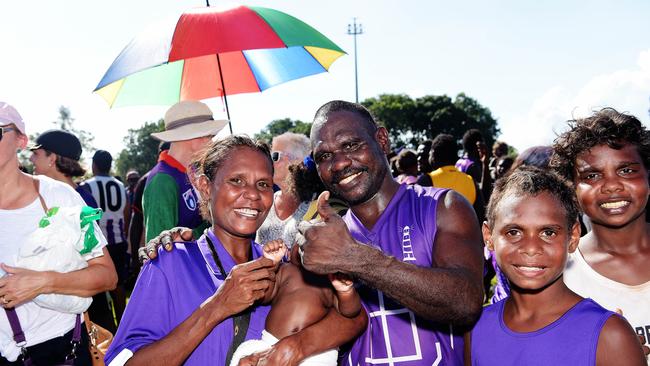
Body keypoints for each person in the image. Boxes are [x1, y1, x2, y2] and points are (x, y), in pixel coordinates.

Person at [105, 135, 366, 366]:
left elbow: (354, 318)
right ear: (205, 186)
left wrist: (294, 347)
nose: (252, 194)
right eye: (236, 180)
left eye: (263, 184)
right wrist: (217, 306)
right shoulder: (170, 262)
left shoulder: (281, 265)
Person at [297, 100, 484, 365]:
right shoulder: (326, 239)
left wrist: (353, 257)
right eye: (324, 156)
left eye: (350, 145)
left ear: (382, 140)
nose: (338, 164)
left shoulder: (442, 207)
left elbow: (465, 303)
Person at [469, 165, 645, 365]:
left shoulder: (610, 336)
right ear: (488, 237)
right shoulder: (474, 330)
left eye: (548, 233)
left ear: (573, 237)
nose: (531, 248)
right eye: (514, 232)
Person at [0, 101, 117, 364]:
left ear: (20, 141)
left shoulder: (60, 196)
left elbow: (107, 275)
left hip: (59, 350)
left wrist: (44, 282)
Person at [551, 108, 650, 360]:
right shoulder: (557, 275)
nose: (612, 185)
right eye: (592, 175)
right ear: (572, 189)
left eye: (626, 170)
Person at [28, 129, 116, 332]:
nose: (31, 157)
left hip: (82, 299)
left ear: (52, 158)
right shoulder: (78, 194)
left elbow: (93, 260)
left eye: (37, 152)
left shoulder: (79, 200)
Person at [230, 239, 364, 366]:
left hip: (313, 356)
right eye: (302, 242)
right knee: (245, 355)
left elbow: (350, 311)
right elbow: (264, 294)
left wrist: (345, 292)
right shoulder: (285, 270)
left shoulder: (330, 283)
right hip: (269, 347)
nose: (308, 248)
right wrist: (270, 265)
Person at [143, 100, 227, 242]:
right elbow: (160, 249)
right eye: (209, 135)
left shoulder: (195, 172)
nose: (212, 142)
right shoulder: (162, 181)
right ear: (191, 135)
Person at [81, 149, 129, 325]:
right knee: (119, 285)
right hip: (117, 239)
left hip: (99, 244)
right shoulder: (120, 185)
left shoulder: (87, 186)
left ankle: (104, 326)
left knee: (98, 286)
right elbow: (127, 213)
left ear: (94, 164)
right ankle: (123, 323)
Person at [256, 133, 313, 247]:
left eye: (274, 156)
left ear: (297, 160)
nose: (268, 162)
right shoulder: (267, 200)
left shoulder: (317, 201)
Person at [416, 133, 485, 222]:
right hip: (467, 234)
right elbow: (480, 215)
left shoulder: (426, 180)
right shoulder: (470, 181)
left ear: (433, 154)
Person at [456, 129, 492, 200]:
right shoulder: (473, 166)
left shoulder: (458, 162)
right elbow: (484, 192)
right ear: (478, 146)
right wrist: (485, 163)